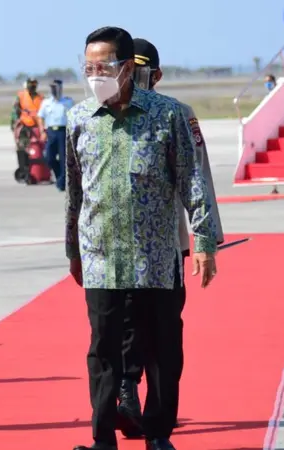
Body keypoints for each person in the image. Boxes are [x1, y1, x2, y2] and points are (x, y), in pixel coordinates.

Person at [67, 27, 218, 450]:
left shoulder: (167, 115)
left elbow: (193, 181)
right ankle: (103, 438)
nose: (95, 74)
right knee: (103, 352)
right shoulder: (79, 118)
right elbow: (75, 192)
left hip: (155, 258)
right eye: (89, 67)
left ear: (127, 69)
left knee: (162, 350)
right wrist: (72, 251)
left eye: (104, 67)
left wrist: (204, 241)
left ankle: (157, 434)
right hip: (99, 256)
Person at [115, 37, 225, 438]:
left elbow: (199, 177)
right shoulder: (105, 113)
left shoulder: (177, 115)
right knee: (123, 327)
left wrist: (205, 239)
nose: (133, 78)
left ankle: (157, 414)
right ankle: (125, 395)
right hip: (116, 247)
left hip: (166, 244)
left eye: (140, 70)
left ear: (156, 75)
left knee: (161, 330)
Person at [37, 79, 74, 191]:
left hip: (63, 132)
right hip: (51, 132)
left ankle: (62, 183)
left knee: (64, 159)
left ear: (60, 88)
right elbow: (40, 117)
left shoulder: (67, 102)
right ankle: (59, 177)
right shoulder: (46, 102)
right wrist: (42, 131)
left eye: (56, 87)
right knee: (49, 158)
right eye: (52, 87)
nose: (54, 90)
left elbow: (73, 117)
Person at [11, 77, 44, 182]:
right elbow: (15, 111)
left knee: (39, 149)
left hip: (38, 126)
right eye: (30, 83)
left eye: (34, 84)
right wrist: (14, 125)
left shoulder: (41, 98)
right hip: (25, 126)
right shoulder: (21, 96)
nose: (32, 86)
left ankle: (41, 170)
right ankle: (24, 169)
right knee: (22, 147)